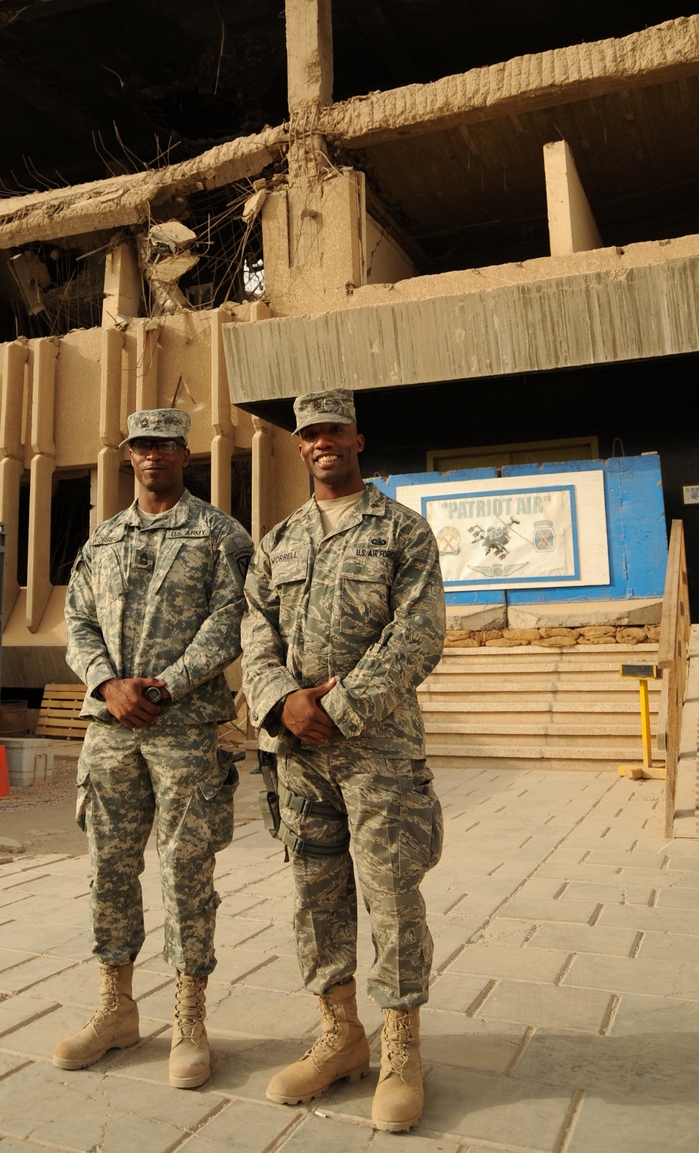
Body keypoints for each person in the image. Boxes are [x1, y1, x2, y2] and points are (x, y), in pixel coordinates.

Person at [240, 388, 445, 1132]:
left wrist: (339, 706)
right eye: (310, 434)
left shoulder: (402, 534)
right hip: (297, 755)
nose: (322, 442)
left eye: (335, 431)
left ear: (358, 441)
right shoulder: (279, 540)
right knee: (315, 893)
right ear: (299, 448)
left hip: (379, 750)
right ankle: (340, 1033)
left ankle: (401, 1048)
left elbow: (418, 634)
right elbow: (254, 632)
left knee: (392, 895)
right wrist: (282, 703)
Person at [55, 407, 254, 1090]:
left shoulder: (219, 535)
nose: (153, 456)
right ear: (128, 455)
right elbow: (76, 619)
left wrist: (165, 688)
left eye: (165, 445)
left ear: (185, 453)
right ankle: (115, 1009)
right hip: (110, 730)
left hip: (185, 730)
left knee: (186, 871)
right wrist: (109, 684)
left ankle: (190, 1019)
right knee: (109, 869)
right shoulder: (103, 540)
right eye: (141, 445)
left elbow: (234, 620)